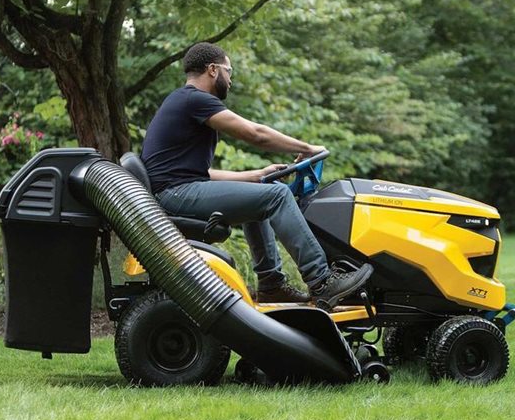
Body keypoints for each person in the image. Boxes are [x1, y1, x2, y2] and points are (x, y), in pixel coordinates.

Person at [141, 42, 370, 307]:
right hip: (175, 195)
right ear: (213, 70)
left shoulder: (182, 100)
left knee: (264, 189)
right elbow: (255, 135)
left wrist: (256, 174)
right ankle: (322, 281)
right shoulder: (195, 99)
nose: (231, 79)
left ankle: (271, 285)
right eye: (229, 71)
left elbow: (199, 174)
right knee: (278, 195)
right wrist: (307, 148)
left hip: (176, 192)